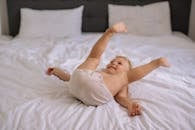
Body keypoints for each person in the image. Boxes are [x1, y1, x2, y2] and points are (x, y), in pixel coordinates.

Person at [46, 22, 170, 117]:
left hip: (95, 93)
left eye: (120, 63)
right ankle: (110, 32)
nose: (114, 63)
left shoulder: (121, 80)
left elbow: (121, 97)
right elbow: (71, 78)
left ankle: (154, 63)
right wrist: (57, 72)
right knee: (92, 62)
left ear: (127, 69)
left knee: (95, 58)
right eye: (112, 61)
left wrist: (130, 105)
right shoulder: (100, 71)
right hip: (75, 86)